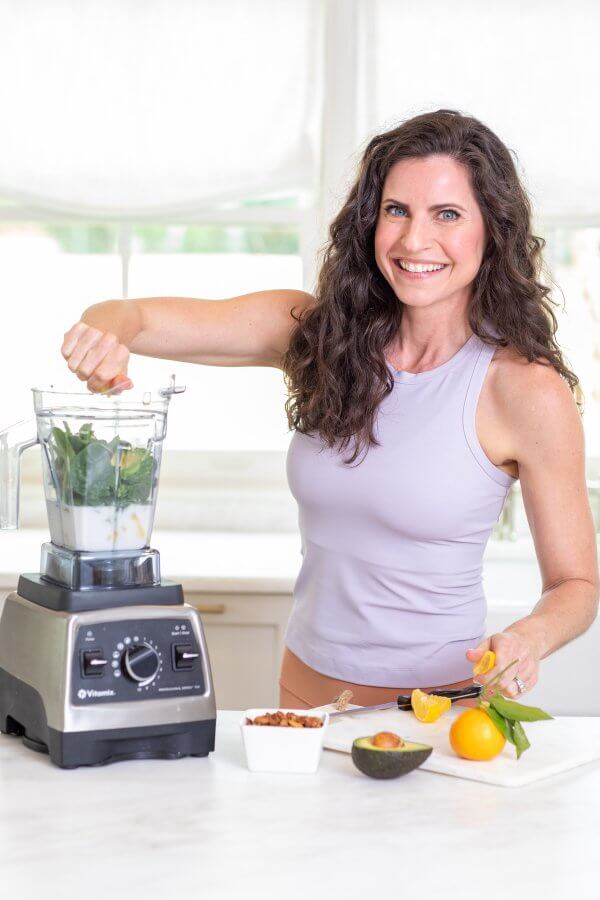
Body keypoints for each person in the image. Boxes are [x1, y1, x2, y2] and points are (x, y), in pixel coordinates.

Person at [61, 109, 599, 710]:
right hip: (303, 698)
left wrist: (531, 634)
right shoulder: (322, 337)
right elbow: (133, 316)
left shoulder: (523, 389)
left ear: (491, 230)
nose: (415, 240)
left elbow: (575, 585)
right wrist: (103, 334)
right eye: (397, 210)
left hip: (438, 713)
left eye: (447, 214)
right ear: (372, 221)